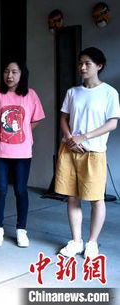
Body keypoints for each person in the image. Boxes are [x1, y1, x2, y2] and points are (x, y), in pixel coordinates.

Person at [55, 47, 119, 259]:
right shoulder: (73, 92)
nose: (82, 67)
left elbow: (112, 124)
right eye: (80, 63)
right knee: (72, 197)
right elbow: (63, 118)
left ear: (99, 66)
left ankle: (92, 242)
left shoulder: (109, 93)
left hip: (93, 153)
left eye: (87, 63)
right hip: (70, 150)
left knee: (96, 199)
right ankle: (76, 241)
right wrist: (69, 138)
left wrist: (84, 136)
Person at [0, 59, 45, 247]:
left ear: (22, 74)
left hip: (23, 152)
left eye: (14, 72)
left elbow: (36, 119)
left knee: (20, 190)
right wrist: (1, 135)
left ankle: (21, 230)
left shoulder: (30, 95)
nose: (9, 76)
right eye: (6, 71)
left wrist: (22, 132)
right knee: (0, 189)